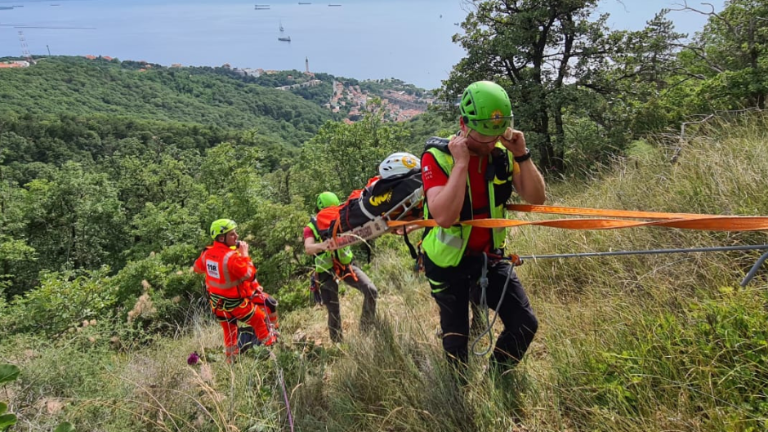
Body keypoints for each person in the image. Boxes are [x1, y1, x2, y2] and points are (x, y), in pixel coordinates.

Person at [420, 80, 546, 373]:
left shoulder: (502, 155)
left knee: (525, 324)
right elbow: (443, 217)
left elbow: (536, 197)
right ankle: (457, 395)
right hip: (447, 263)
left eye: (496, 135)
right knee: (456, 345)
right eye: (483, 136)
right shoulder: (438, 157)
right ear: (463, 124)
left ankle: (497, 379)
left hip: (489, 258)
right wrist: (461, 164)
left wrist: (521, 154)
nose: (490, 143)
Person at [194, 219, 278, 362]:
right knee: (259, 319)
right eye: (232, 234)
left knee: (230, 333)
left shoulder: (206, 254)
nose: (237, 236)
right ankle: (270, 348)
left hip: (218, 306)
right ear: (222, 238)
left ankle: (231, 361)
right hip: (237, 305)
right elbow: (250, 274)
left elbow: (198, 268)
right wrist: (244, 254)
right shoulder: (231, 258)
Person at [304, 192, 378, 343]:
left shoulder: (342, 218)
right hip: (325, 271)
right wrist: (322, 246)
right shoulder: (310, 227)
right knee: (333, 310)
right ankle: (339, 344)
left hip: (345, 265)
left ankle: (366, 330)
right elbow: (309, 248)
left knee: (371, 290)